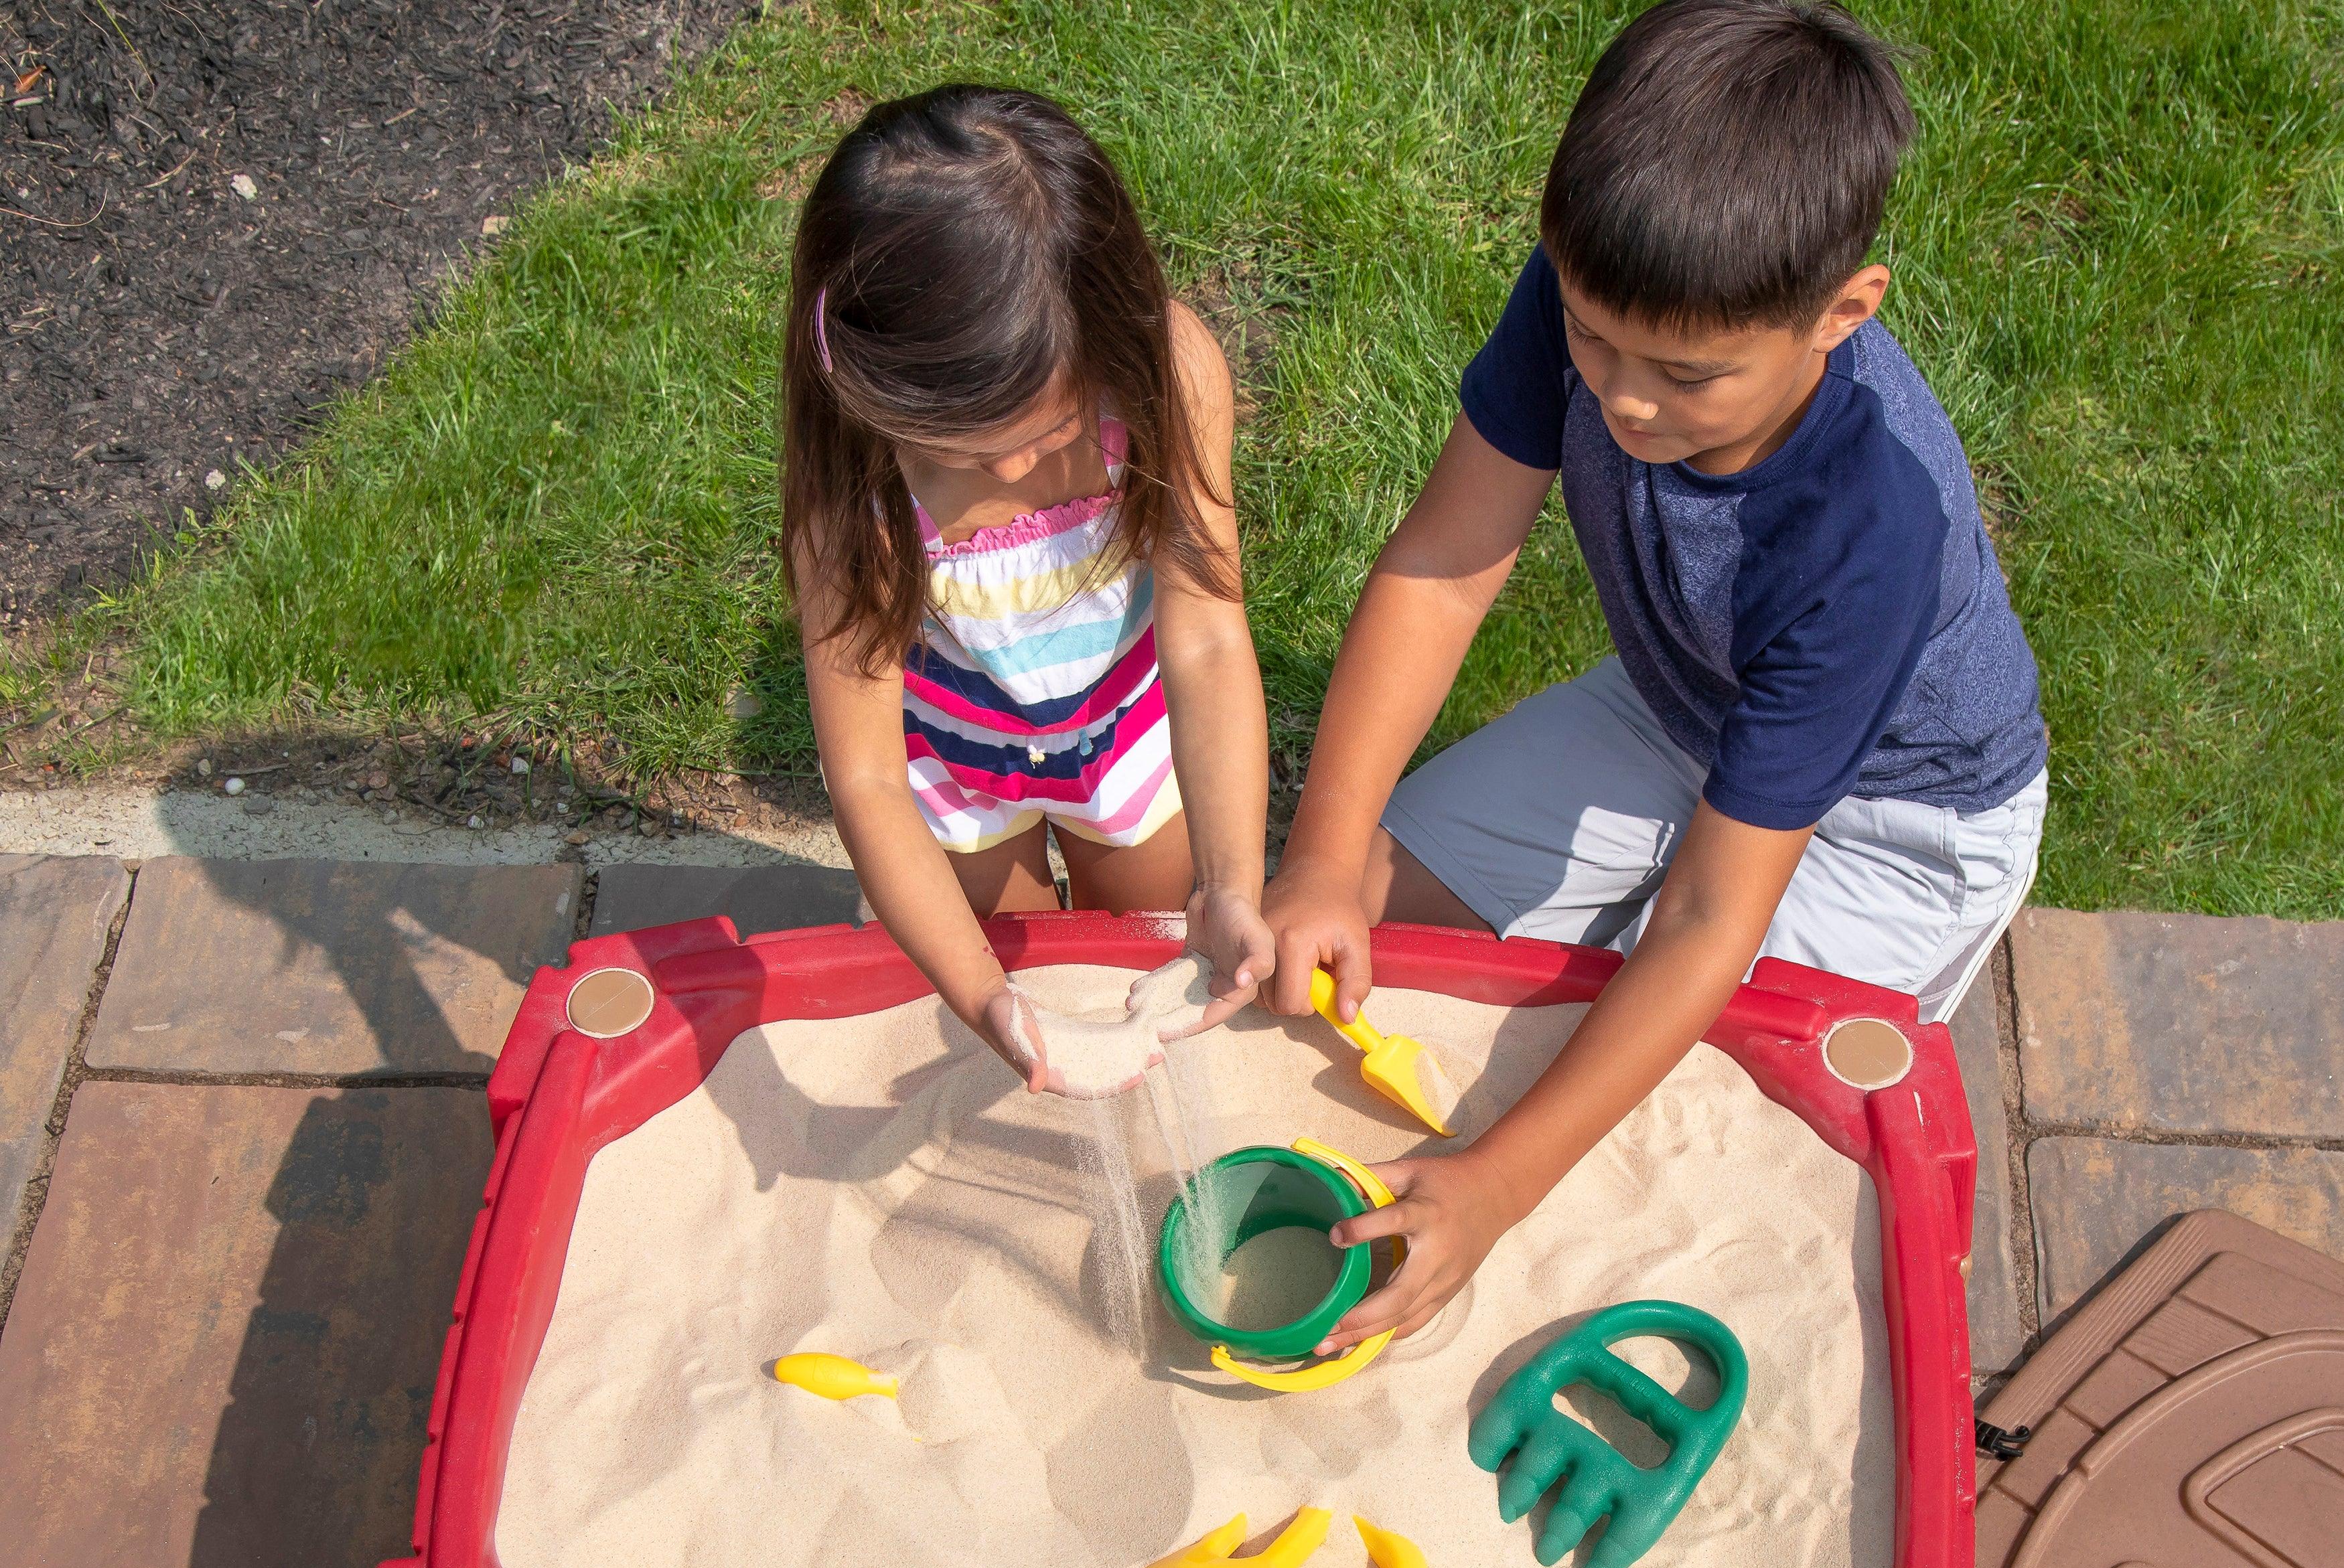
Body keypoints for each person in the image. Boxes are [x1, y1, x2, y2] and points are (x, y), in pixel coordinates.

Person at [1262, 0, 2047, 1348]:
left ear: (1842, 312)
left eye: (1687, 377)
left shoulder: (1870, 531)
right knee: (1369, 921)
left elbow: (1702, 917)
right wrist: (1325, 856)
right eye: (1590, 336)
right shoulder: (1612, 288)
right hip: (1679, 706)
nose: (1622, 401)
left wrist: (1498, 1183)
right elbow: (1449, 561)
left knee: (1682, 1122)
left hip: (1895, 824)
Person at [783, 84, 1274, 1092]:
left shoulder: (1166, 380)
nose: (1013, 473)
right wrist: (985, 995)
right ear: (872, 390)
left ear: (1116, 329)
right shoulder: (854, 497)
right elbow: (869, 781)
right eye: (963, 451)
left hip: (1131, 743)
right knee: (1012, 959)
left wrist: (1233, 880)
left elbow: (1210, 640)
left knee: (1131, 946)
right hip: (951, 773)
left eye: (1050, 435)